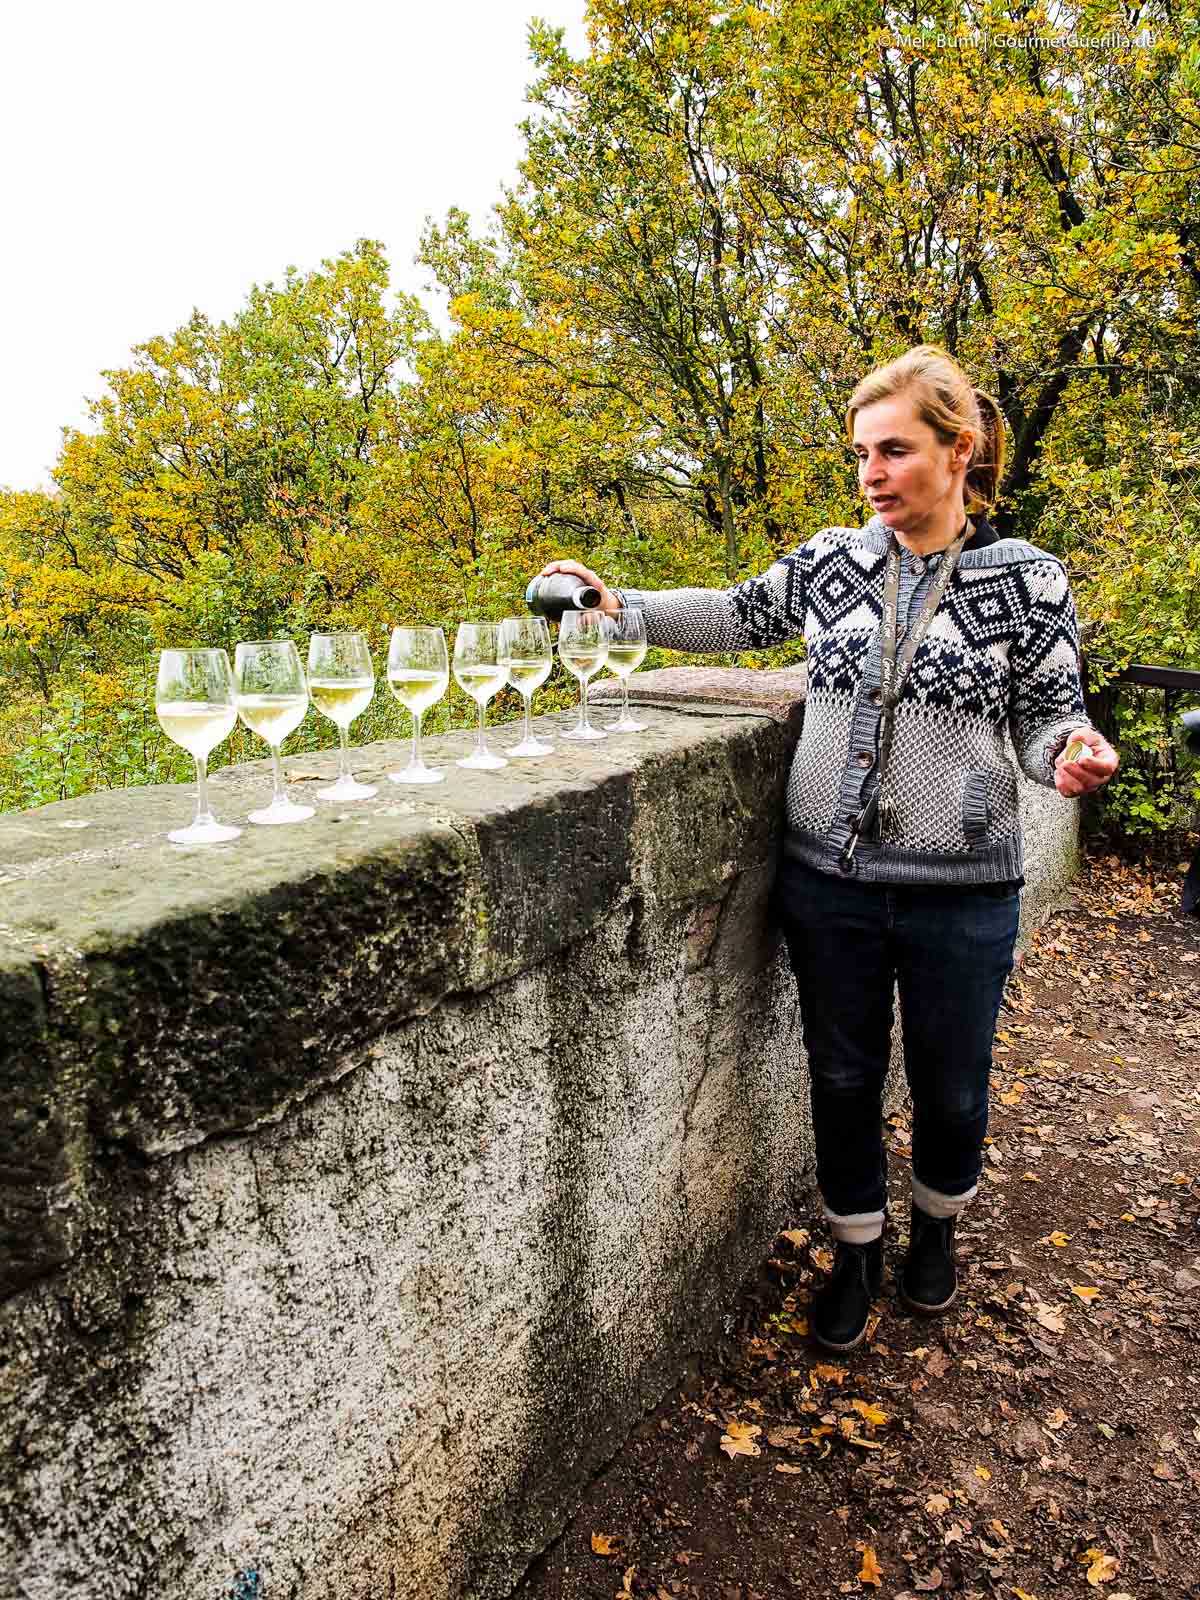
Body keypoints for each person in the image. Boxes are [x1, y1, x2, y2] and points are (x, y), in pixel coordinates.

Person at [539, 343, 1119, 1352]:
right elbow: (732, 614)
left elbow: (1047, 716)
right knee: (843, 1074)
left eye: (894, 451)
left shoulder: (1028, 580)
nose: (872, 476)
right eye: (861, 455)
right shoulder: (830, 561)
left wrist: (1068, 753)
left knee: (951, 1080)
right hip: (832, 882)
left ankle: (936, 1225)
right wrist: (615, 604)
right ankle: (856, 1242)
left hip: (963, 888)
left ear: (959, 450)